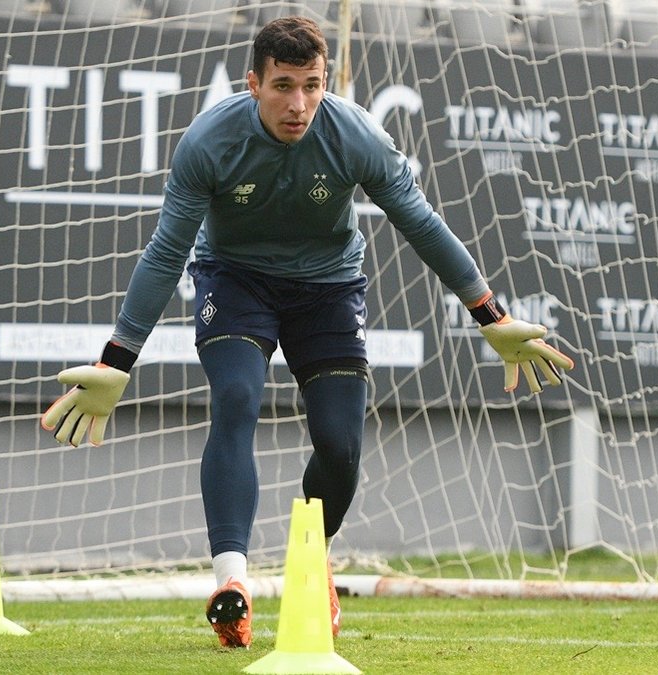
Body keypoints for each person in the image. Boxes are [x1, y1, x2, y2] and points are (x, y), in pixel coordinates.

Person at [40, 15, 574, 649]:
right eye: (284, 86)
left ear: (326, 83)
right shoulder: (208, 142)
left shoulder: (357, 136)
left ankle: (311, 559)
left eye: (312, 86)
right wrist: (117, 361)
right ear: (254, 84)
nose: (299, 104)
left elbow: (423, 224)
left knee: (341, 447)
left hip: (329, 290)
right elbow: (165, 253)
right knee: (236, 397)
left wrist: (492, 316)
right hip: (236, 283)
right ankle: (231, 586)